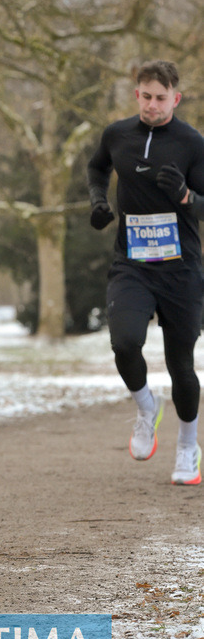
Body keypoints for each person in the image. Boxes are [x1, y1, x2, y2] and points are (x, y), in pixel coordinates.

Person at [87, 59, 204, 486]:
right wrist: (99, 201)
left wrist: (186, 196)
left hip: (181, 270)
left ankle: (189, 445)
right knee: (124, 342)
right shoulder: (118, 134)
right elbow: (96, 167)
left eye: (161, 98)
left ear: (176, 97)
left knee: (181, 366)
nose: (152, 105)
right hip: (132, 263)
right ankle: (145, 407)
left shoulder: (192, 143)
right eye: (146, 96)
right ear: (137, 94)